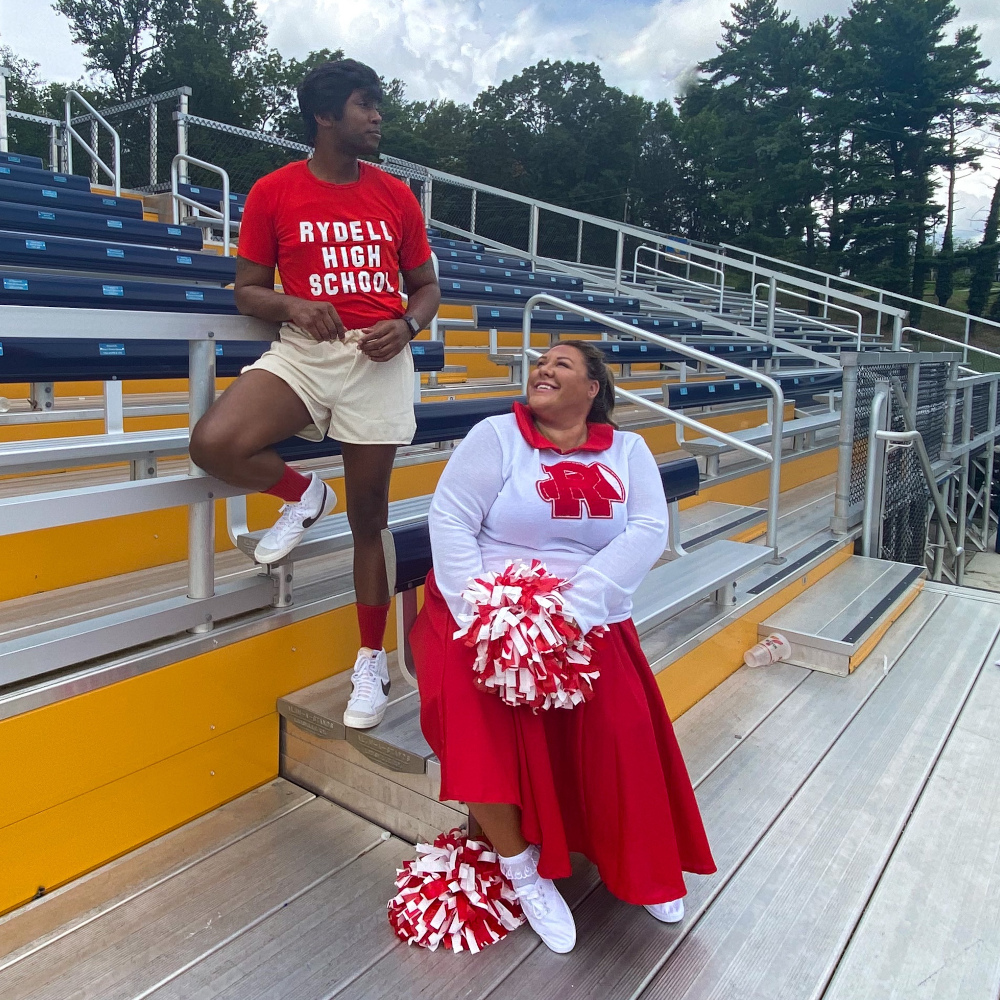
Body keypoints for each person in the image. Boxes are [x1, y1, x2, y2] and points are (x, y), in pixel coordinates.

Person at [409, 341, 716, 954]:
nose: (543, 370)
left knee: (621, 734)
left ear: (594, 387)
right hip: (482, 611)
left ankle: (641, 866)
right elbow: (449, 520)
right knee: (476, 733)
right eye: (540, 363)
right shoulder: (496, 435)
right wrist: (485, 616)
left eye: (562, 364)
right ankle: (524, 875)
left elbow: (649, 530)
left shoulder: (628, 450)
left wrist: (573, 610)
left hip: (587, 615)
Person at [190, 59, 441, 732]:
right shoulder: (274, 191)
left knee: (370, 518)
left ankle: (369, 661)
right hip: (305, 352)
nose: (377, 116)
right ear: (326, 116)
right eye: (366, 104)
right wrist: (293, 305)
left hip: (376, 357)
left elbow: (427, 286)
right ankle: (303, 494)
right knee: (214, 443)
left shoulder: (395, 194)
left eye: (377, 104)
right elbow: (246, 289)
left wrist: (409, 324)